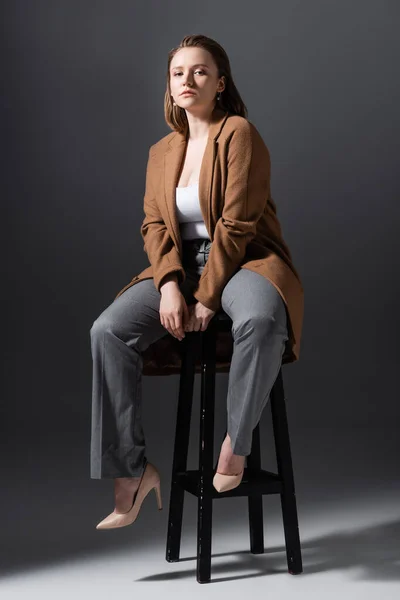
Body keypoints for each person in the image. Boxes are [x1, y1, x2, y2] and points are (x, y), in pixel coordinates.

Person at [90, 34, 304, 530]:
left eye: (200, 71)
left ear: (221, 83)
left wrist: (207, 295)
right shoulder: (162, 151)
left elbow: (236, 225)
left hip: (244, 261)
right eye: (177, 73)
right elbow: (155, 226)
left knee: (262, 317)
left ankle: (236, 444)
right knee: (107, 331)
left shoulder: (239, 134)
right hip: (180, 265)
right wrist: (169, 284)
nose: (187, 80)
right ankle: (131, 470)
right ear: (169, 86)